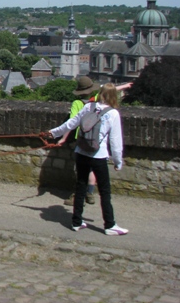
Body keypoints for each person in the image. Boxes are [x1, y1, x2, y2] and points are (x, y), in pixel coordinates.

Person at [47, 83, 128, 236]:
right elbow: (116, 142)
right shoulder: (113, 114)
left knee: (80, 187)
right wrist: (118, 162)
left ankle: (76, 222)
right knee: (105, 191)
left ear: (101, 94)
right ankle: (110, 224)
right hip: (99, 155)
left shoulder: (88, 107)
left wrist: (53, 132)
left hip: (81, 152)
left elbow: (70, 124)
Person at [59, 76, 99, 207]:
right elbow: (112, 90)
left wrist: (64, 138)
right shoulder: (97, 100)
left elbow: (71, 123)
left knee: (81, 169)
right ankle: (90, 193)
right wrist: (126, 86)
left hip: (81, 138)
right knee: (91, 168)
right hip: (95, 138)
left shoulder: (77, 103)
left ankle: (77, 196)